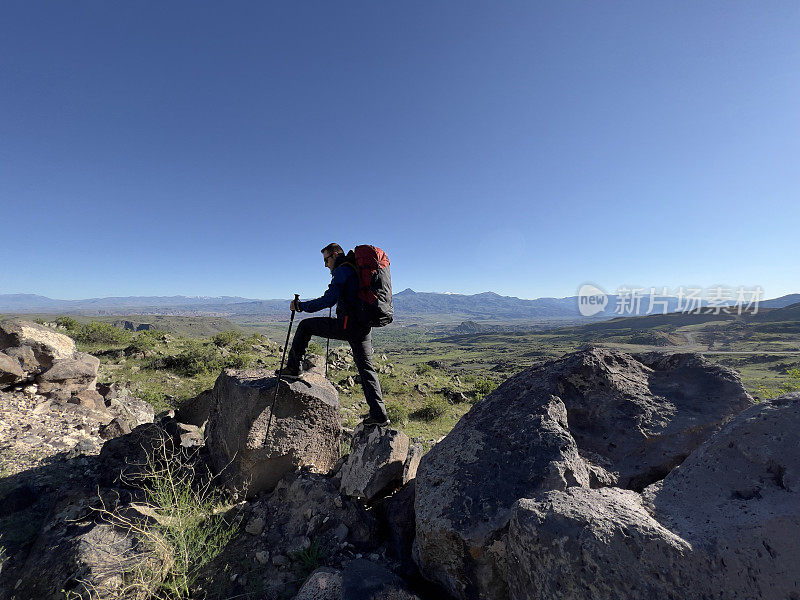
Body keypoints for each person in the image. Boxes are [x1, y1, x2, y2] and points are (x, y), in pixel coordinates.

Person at [281, 243, 390, 426]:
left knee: (305, 326)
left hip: (347, 326)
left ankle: (293, 369)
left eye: (326, 259)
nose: (325, 265)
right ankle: (380, 415)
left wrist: (301, 306)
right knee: (366, 369)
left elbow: (329, 300)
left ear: (335, 254)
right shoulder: (354, 268)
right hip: (363, 326)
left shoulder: (343, 270)